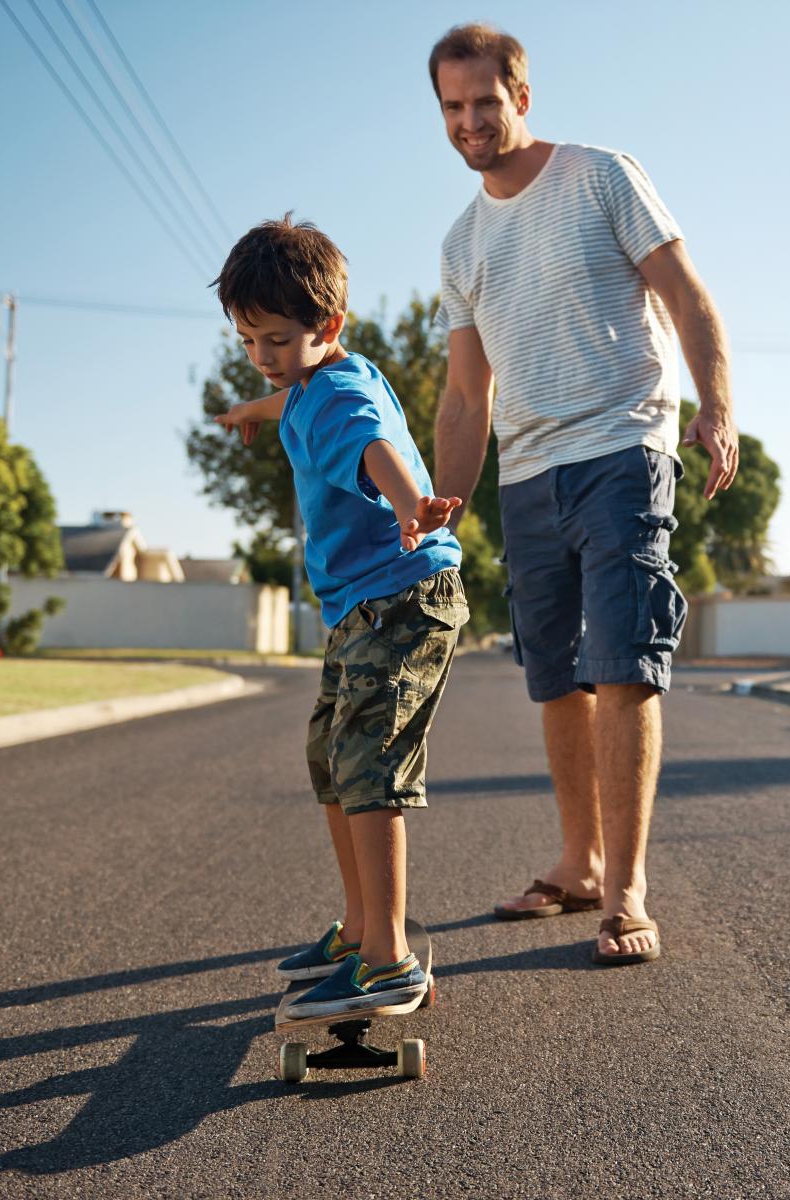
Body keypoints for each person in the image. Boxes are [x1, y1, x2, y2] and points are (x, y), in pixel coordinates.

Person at [427, 24, 739, 966]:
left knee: (623, 663)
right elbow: (465, 395)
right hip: (526, 476)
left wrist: (717, 407)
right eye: (452, 106)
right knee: (556, 676)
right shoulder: (461, 243)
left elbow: (686, 294)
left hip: (621, 451)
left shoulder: (601, 175)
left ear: (520, 96)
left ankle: (626, 890)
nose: (470, 121)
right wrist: (439, 512)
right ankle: (579, 862)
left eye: (486, 101)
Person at [211, 215, 469, 1017]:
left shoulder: (338, 397)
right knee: (329, 756)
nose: (263, 356)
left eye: (277, 341)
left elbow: (371, 445)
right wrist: (252, 409)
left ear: (329, 327)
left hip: (401, 596)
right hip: (365, 604)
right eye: (248, 341)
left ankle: (388, 960)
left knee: (368, 764)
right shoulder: (312, 379)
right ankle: (359, 928)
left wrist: (411, 505)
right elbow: (289, 395)